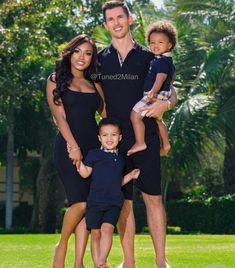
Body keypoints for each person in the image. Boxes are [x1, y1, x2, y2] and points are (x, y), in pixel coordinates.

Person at [97, 1, 177, 268]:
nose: (116, 23)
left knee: (153, 198)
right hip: (115, 142)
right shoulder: (100, 58)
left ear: (130, 20)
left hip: (146, 137)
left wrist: (166, 104)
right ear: (106, 24)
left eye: (121, 17)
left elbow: (170, 90)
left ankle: (161, 260)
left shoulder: (150, 57)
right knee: (123, 202)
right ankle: (128, 261)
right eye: (110, 19)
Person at [46, 34, 106, 268]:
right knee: (79, 202)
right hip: (68, 147)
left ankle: (79, 262)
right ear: (70, 53)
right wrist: (73, 146)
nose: (82, 57)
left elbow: (106, 115)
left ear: (92, 58)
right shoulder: (55, 79)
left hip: (94, 148)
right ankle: (61, 245)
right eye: (78, 52)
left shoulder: (94, 83)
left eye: (88, 53)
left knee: (88, 206)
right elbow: (59, 117)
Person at [77, 117, 140, 268]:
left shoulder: (121, 159)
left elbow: (116, 182)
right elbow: (85, 174)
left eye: (113, 135)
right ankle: (97, 263)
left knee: (108, 229)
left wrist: (130, 176)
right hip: (95, 202)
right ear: (99, 138)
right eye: (105, 135)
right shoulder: (94, 154)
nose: (109, 138)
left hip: (114, 202)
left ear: (120, 137)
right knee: (96, 233)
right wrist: (78, 163)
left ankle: (102, 260)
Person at [128, 20, 177, 156]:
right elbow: (170, 79)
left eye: (160, 42)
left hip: (155, 94)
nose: (155, 46)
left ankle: (140, 142)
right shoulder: (167, 61)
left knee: (135, 116)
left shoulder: (161, 61)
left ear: (170, 44)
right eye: (152, 42)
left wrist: (153, 92)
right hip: (162, 94)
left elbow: (160, 78)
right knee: (158, 120)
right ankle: (166, 144)